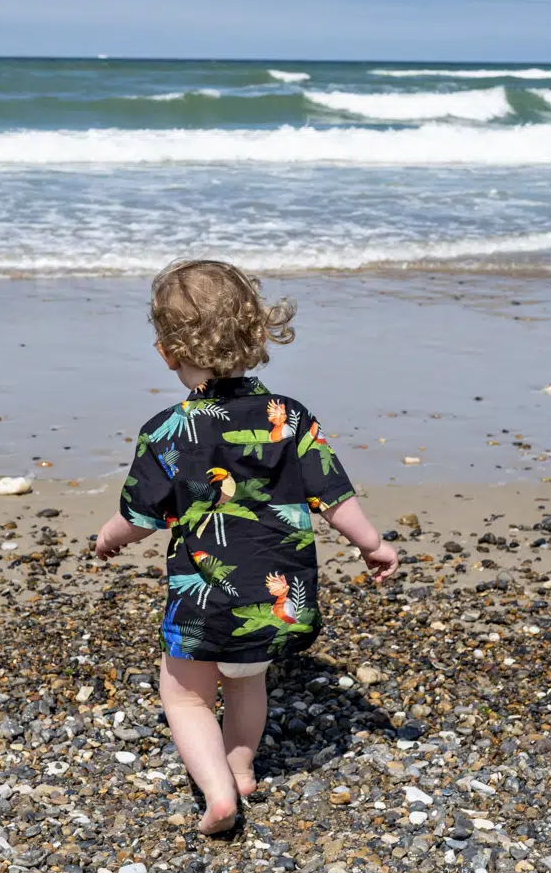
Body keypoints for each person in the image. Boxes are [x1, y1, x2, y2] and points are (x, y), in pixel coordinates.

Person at [93, 259, 398, 835]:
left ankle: (217, 793)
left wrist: (108, 538)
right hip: (279, 598)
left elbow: (138, 516)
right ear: (258, 335)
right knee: (246, 681)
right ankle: (241, 765)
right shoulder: (290, 418)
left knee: (184, 696)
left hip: (204, 600)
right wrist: (372, 543)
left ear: (166, 352)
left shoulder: (166, 431)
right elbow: (333, 495)